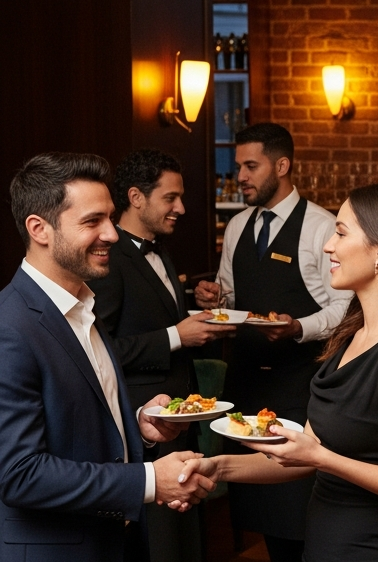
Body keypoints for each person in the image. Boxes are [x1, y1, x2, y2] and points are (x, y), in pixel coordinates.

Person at [180, 183, 378, 561]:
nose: (328, 246)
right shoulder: (351, 336)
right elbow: (305, 454)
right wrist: (216, 467)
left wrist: (323, 458)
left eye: (341, 233)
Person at [0, 152, 213, 561]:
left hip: (116, 540)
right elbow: (19, 474)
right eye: (92, 221)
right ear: (39, 229)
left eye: (110, 218)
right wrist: (150, 480)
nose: (112, 234)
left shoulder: (84, 307)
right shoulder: (11, 327)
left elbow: (77, 424)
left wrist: (138, 427)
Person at [193, 123, 352, 561]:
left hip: (301, 387)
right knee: (257, 511)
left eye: (251, 166)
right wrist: (214, 298)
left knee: (297, 513)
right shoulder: (238, 226)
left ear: (282, 166)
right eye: (239, 166)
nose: (240, 176)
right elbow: (230, 297)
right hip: (246, 387)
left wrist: (298, 327)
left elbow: (344, 308)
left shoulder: (321, 227)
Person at [90, 149, 234, 562]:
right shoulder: (109, 259)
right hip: (143, 427)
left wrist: (194, 308)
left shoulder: (160, 250)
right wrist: (176, 335)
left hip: (178, 421)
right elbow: (101, 349)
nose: (181, 208)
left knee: (185, 544)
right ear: (136, 197)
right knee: (160, 546)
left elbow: (152, 313)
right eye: (170, 198)